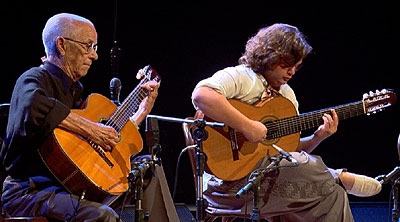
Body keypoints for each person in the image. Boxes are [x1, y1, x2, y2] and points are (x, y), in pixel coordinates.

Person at [192, 23, 382, 221]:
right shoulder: (241, 76)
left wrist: (319, 136)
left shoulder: (287, 97)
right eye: (286, 64)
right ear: (269, 55)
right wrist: (247, 127)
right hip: (230, 183)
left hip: (273, 180)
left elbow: (289, 153)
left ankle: (336, 181)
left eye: (296, 67)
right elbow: (201, 95)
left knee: (335, 194)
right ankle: (336, 176)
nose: (291, 72)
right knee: (315, 169)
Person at [0, 13, 159, 221]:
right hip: (27, 191)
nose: (94, 56)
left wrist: (140, 113)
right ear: (62, 45)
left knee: (148, 168)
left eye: (95, 47)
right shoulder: (33, 79)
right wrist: (92, 130)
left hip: (66, 188)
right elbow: (35, 105)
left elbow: (92, 147)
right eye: (89, 45)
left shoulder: (75, 92)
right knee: (104, 216)